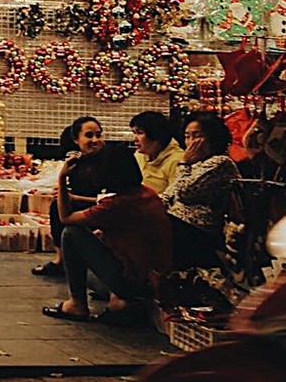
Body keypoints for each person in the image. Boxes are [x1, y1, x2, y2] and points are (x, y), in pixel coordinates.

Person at [43, 144, 170, 324]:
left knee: (72, 234)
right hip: (153, 277)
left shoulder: (116, 205)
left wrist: (62, 179)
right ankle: (120, 300)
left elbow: (66, 218)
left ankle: (77, 304)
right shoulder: (145, 193)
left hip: (136, 281)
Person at [34, 116, 107, 278]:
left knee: (66, 213)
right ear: (76, 139)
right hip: (83, 205)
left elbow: (112, 199)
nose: (95, 140)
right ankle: (61, 260)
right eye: (89, 135)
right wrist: (62, 191)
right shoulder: (76, 162)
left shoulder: (109, 162)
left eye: (99, 135)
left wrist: (74, 198)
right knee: (56, 205)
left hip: (104, 209)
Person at [165, 112, 238, 269]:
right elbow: (170, 192)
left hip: (199, 229)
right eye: (187, 136)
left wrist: (184, 163)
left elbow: (185, 191)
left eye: (196, 136)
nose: (190, 143)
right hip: (178, 223)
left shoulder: (220, 162)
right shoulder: (194, 164)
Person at [130, 110, 185, 195]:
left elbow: (173, 197)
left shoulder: (178, 160)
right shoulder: (138, 155)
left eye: (139, 133)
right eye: (134, 133)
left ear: (155, 134)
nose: (134, 138)